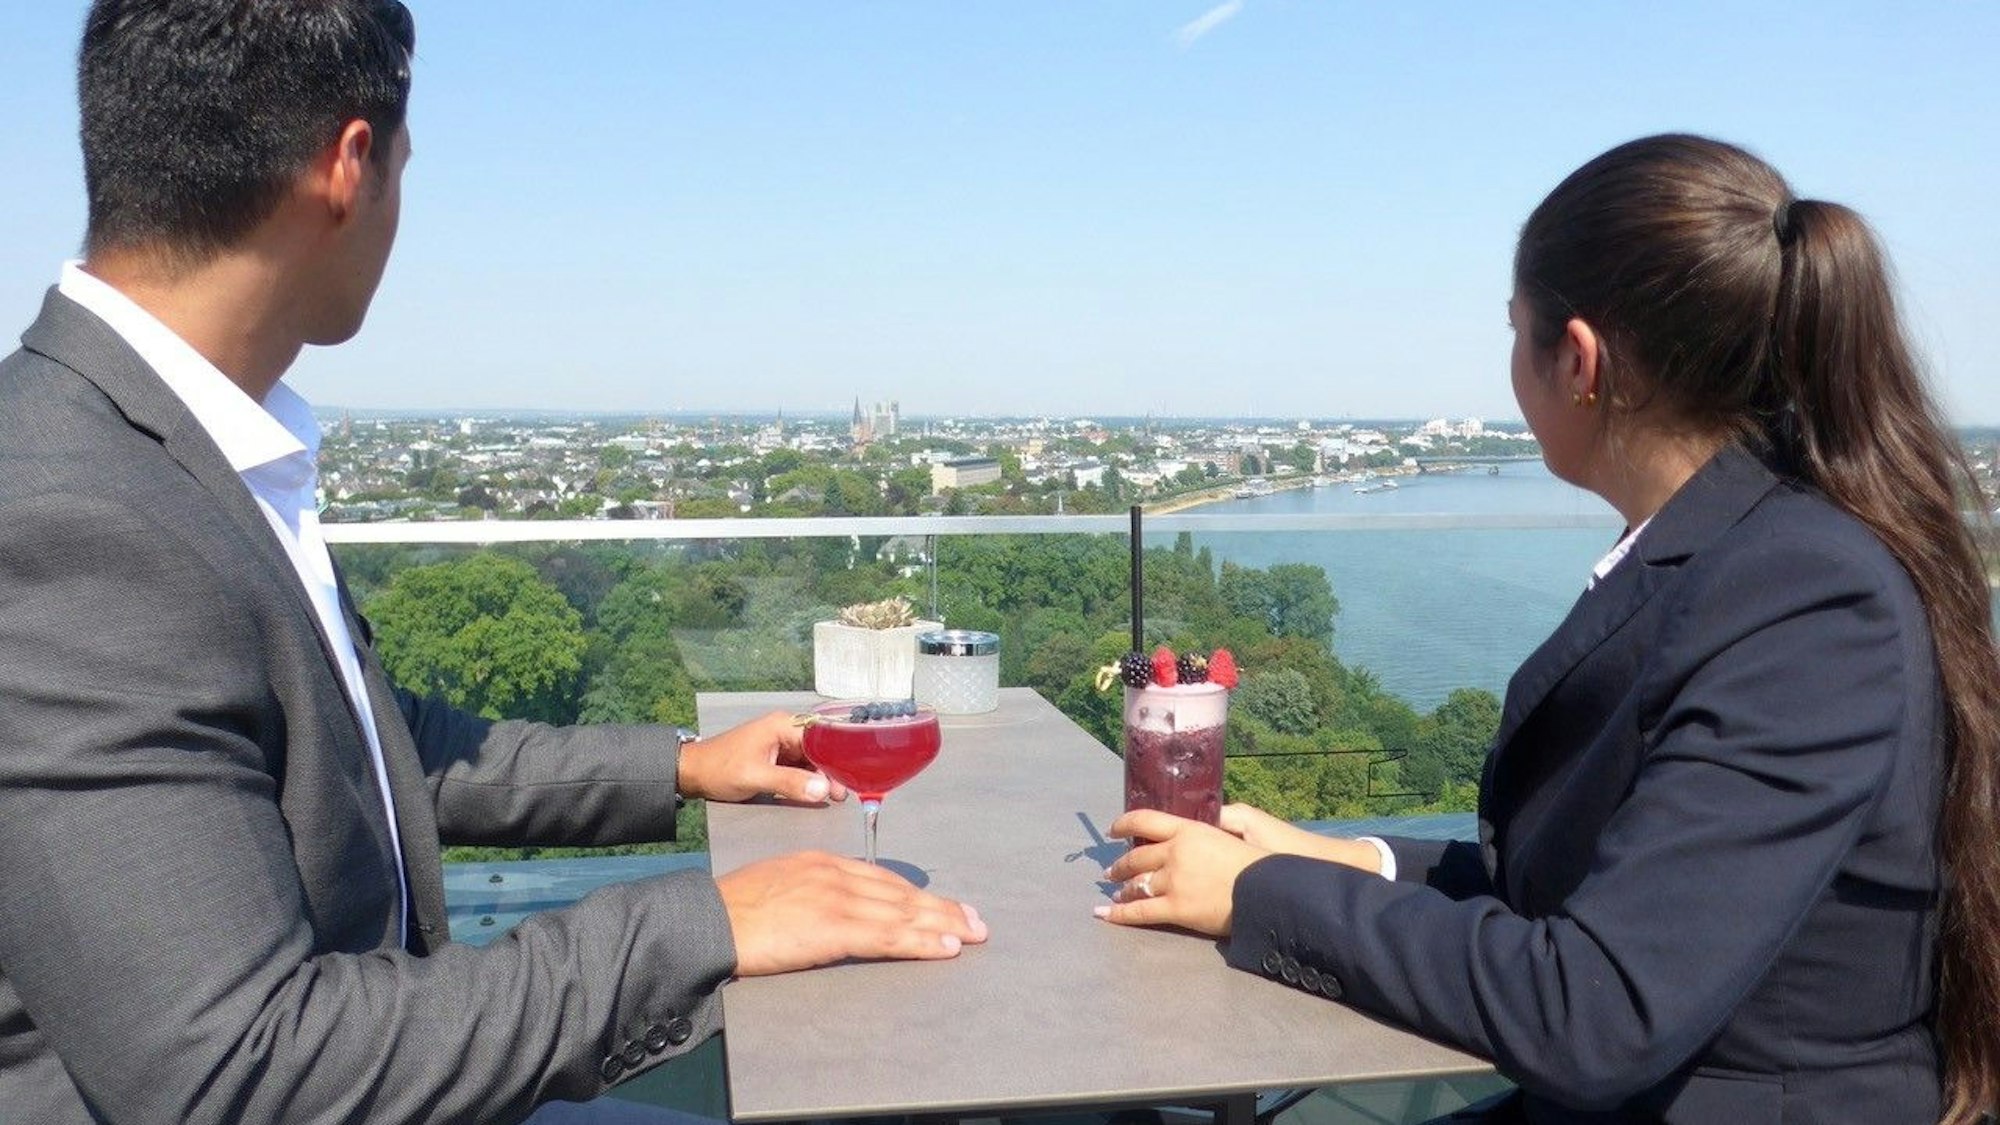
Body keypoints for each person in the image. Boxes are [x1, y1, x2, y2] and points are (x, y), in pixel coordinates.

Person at [0, 2, 985, 1122]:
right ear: (350, 163)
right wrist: (702, 924)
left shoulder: (165, 449)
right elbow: (238, 1070)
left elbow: (360, 751)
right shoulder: (68, 518)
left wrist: (678, 767)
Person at [1098, 134, 2000, 1124]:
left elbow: (1598, 1006)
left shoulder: (1802, 597)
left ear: (1576, 358)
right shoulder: (1730, 554)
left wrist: (1258, 893)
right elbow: (1612, 876)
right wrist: (1351, 858)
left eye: (1512, 330)